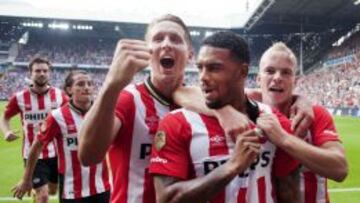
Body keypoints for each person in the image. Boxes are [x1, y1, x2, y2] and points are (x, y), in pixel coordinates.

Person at [149, 31, 300, 203]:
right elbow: (165, 199)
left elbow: (288, 190)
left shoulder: (274, 121)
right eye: (200, 68)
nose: (203, 77)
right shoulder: (176, 123)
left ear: (242, 72)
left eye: (214, 68)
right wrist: (232, 166)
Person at [78, 14, 194, 203]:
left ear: (190, 55)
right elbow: (88, 156)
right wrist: (111, 84)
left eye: (175, 39)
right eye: (158, 39)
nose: (166, 44)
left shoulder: (199, 106)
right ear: (147, 52)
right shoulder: (128, 98)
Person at [256, 42, 348, 202]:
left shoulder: (316, 114)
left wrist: (284, 139)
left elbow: (340, 169)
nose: (277, 77)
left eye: (286, 72)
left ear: (295, 81)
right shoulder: (246, 113)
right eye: (270, 71)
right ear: (258, 79)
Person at [12, 70, 110, 203]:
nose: (86, 87)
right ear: (69, 90)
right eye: (80, 84)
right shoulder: (57, 116)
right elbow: (36, 146)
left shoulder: (104, 112)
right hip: (72, 191)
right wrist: (26, 178)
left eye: (89, 84)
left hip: (103, 187)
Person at [0, 57, 68, 203]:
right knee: (43, 196)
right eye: (37, 71)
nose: (42, 73)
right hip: (32, 155)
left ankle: (36, 191)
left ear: (49, 73)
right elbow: (4, 117)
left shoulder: (59, 96)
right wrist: (6, 132)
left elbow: (71, 116)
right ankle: (37, 191)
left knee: (52, 190)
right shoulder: (19, 98)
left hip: (57, 153)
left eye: (45, 71)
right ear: (30, 73)